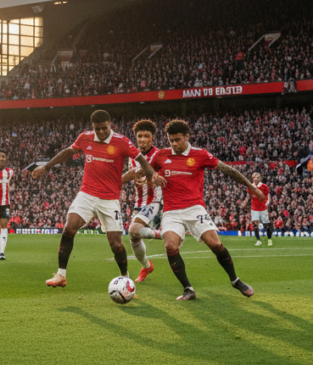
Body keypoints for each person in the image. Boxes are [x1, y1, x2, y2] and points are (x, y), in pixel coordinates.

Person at [32, 109, 163, 287]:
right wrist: (46, 167)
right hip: (86, 194)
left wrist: (151, 177)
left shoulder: (122, 141)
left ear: (110, 125)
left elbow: (142, 160)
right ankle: (61, 275)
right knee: (69, 228)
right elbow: (68, 152)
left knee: (116, 244)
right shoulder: (85, 137)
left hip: (109, 199)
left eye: (104, 128)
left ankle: (125, 277)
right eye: (97, 128)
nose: (100, 132)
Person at [148, 120, 263, 301]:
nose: (174, 144)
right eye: (171, 140)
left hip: (194, 207)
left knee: (215, 243)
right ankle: (188, 289)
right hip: (171, 210)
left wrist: (251, 187)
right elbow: (146, 172)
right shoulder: (160, 155)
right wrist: (152, 176)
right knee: (170, 245)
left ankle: (235, 280)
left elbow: (227, 169)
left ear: (187, 136)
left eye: (178, 140)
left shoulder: (200, 154)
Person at [120, 119, 163, 283]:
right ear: (136, 138)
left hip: (155, 201)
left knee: (134, 229)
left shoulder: (159, 155)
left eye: (147, 136)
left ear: (152, 138)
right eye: (140, 136)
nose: (143, 139)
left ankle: (163, 234)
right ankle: (146, 266)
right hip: (139, 203)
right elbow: (132, 174)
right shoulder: (132, 157)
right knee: (133, 236)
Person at [241, 171, 273, 247]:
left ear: (259, 179)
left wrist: (267, 204)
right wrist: (244, 202)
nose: (255, 180)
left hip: (263, 208)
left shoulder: (264, 187)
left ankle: (269, 239)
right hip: (254, 208)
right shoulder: (250, 187)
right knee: (255, 224)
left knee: (266, 225)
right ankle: (258, 240)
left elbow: (268, 196)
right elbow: (248, 196)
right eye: (254, 178)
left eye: (257, 178)